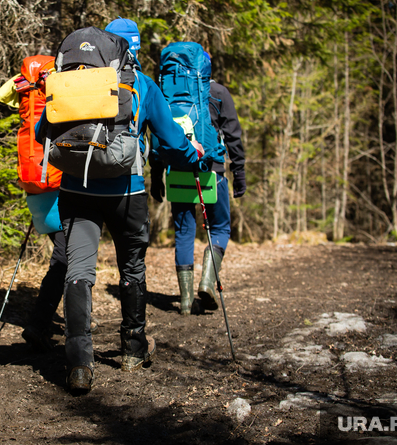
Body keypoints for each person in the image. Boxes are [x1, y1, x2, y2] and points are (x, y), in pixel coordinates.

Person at [37, 19, 204, 393]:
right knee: (131, 266)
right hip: (127, 193)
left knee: (78, 271)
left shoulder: (72, 80)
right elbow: (172, 140)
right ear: (132, 49)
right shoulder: (140, 85)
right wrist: (194, 157)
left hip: (77, 191)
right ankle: (132, 349)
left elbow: (40, 131)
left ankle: (79, 363)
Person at [150, 69, 246, 315]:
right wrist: (239, 174)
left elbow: (158, 134)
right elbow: (233, 136)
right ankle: (206, 281)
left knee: (184, 232)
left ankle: (185, 300)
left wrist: (156, 177)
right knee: (221, 228)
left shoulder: (164, 94)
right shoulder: (218, 93)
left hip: (177, 168)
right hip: (211, 170)